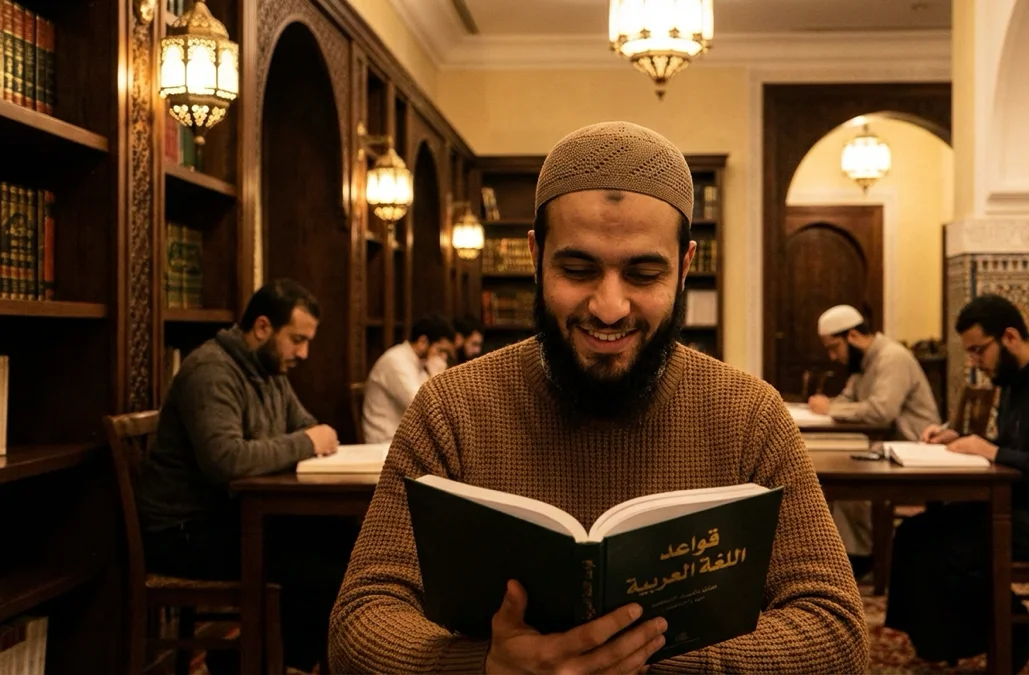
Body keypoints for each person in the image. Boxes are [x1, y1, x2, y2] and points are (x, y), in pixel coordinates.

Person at [328, 121, 869, 674]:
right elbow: (360, 623)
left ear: (683, 267)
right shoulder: (452, 408)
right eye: (579, 269)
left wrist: (645, 664)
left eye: (643, 272)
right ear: (536, 258)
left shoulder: (748, 413)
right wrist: (487, 668)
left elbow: (836, 631)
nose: (610, 307)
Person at [137, 279, 356, 673]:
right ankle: (254, 664)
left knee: (349, 542)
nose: (304, 353)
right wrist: (306, 442)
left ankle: (265, 661)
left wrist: (306, 438)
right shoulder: (211, 371)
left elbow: (305, 425)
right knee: (320, 571)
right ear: (262, 327)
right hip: (184, 530)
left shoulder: (270, 368)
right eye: (297, 340)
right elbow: (227, 460)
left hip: (232, 518)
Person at [886, 293, 1029, 670]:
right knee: (914, 532)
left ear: (1009, 337)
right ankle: (938, 641)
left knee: (951, 547)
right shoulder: (1015, 382)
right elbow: (1015, 448)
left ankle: (1017, 629)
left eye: (978, 351)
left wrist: (994, 453)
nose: (974, 362)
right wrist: (956, 437)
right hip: (1027, 505)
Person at [808, 304, 941, 577]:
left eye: (834, 348)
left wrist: (830, 409)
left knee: (846, 477)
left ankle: (862, 557)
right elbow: (849, 399)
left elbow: (882, 412)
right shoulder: (862, 362)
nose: (833, 357)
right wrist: (829, 404)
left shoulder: (892, 357)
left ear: (853, 336)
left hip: (911, 446)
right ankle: (853, 554)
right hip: (884, 444)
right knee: (834, 467)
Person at [361, 313, 457, 443]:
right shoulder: (396, 360)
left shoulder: (420, 362)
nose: (443, 357)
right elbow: (424, 408)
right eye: (441, 350)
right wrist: (437, 377)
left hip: (407, 440)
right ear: (423, 341)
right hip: (386, 443)